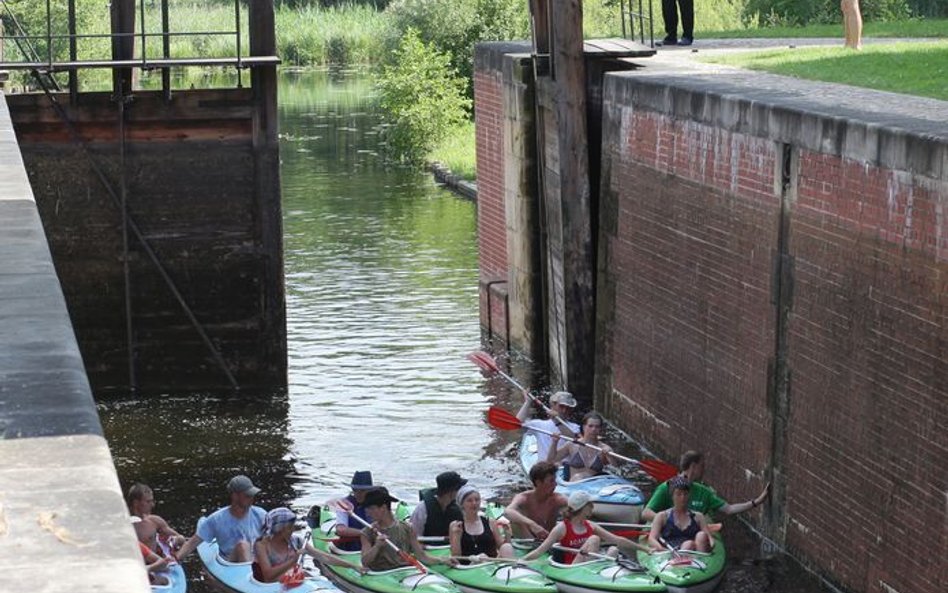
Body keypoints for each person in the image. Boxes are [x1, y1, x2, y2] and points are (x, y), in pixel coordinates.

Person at [521, 492, 649, 563]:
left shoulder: (591, 526)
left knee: (613, 550)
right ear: (582, 507)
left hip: (590, 563)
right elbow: (540, 551)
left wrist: (644, 549)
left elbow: (618, 540)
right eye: (590, 504)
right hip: (573, 568)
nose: (593, 507)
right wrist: (521, 561)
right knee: (594, 539)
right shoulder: (562, 528)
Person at [641, 451, 770, 522]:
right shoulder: (666, 488)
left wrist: (756, 502)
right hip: (667, 534)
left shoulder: (704, 492)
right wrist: (670, 521)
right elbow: (646, 513)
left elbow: (729, 509)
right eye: (702, 466)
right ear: (693, 466)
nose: (704, 470)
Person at [252, 507, 365, 583]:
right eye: (290, 526)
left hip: (293, 582)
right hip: (271, 586)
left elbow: (324, 557)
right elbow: (268, 576)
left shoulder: (297, 541)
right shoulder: (261, 545)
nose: (294, 529)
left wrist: (352, 565)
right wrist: (293, 560)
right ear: (280, 529)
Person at [359, 487, 458, 571]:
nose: (368, 512)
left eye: (371, 508)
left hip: (404, 572)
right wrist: (377, 546)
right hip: (382, 574)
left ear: (383, 508)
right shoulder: (367, 532)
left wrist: (442, 560)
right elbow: (365, 562)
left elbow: (421, 556)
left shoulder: (407, 528)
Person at [175, 475, 267, 562]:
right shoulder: (216, 519)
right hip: (230, 562)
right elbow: (193, 542)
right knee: (242, 546)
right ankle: (251, 575)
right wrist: (176, 559)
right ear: (235, 496)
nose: (251, 498)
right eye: (247, 495)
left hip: (256, 560)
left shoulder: (261, 514)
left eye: (252, 495)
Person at [502, 461, 568, 540]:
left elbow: (579, 506)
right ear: (538, 482)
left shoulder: (557, 499)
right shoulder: (524, 498)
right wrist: (532, 524)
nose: (555, 484)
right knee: (516, 521)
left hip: (549, 540)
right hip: (527, 540)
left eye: (554, 480)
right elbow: (507, 511)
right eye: (551, 481)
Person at [647, 477, 715, 553]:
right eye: (678, 494)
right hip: (669, 553)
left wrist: (711, 545)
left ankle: (700, 560)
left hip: (694, 555)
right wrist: (660, 548)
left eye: (685, 494)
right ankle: (681, 556)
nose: (682, 498)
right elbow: (651, 539)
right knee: (688, 544)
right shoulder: (662, 516)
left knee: (701, 536)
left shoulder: (698, 517)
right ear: (672, 496)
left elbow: (709, 538)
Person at [448, 485, 514, 562]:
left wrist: (507, 535)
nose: (474, 503)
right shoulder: (455, 525)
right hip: (470, 566)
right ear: (462, 504)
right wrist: (456, 536)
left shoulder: (490, 522)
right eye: (469, 500)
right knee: (482, 556)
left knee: (507, 547)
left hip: (491, 564)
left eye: (477, 500)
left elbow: (500, 546)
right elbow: (456, 557)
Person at [547, 412, 615, 482]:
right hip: (575, 485)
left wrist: (610, 455)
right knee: (578, 477)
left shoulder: (604, 448)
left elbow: (616, 466)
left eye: (597, 427)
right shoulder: (572, 445)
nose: (593, 429)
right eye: (590, 426)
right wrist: (554, 442)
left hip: (594, 487)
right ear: (584, 427)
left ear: (600, 429)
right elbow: (551, 460)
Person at [516, 391, 581, 463]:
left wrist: (557, 421)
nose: (564, 410)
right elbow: (516, 425)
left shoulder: (575, 427)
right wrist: (527, 403)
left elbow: (574, 439)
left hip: (564, 469)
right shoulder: (539, 424)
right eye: (561, 406)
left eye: (568, 408)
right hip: (544, 469)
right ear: (553, 406)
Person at [126, 483, 187, 554]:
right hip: (137, 563)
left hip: (157, 561)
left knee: (181, 538)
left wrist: (176, 544)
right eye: (148, 502)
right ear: (136, 503)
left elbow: (180, 539)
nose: (152, 505)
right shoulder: (125, 526)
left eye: (152, 501)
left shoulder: (155, 521)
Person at [410, 471, 467, 538]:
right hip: (428, 546)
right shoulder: (422, 508)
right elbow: (414, 536)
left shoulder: (458, 507)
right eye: (459, 489)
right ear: (451, 491)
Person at [331, 470, 376, 551]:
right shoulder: (344, 504)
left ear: (370, 491)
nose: (358, 494)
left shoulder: (377, 504)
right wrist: (363, 532)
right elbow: (340, 530)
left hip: (373, 545)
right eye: (355, 490)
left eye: (362, 491)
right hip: (351, 546)